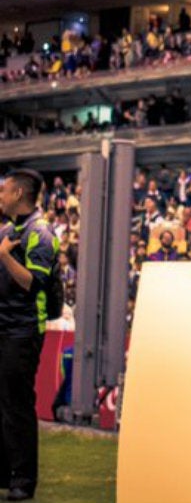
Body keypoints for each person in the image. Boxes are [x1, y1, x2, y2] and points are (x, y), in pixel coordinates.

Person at [0, 169, 59, 502]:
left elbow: (33, 283)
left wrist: (5, 256)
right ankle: (6, 473)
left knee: (18, 405)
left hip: (23, 331)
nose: (1, 196)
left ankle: (24, 479)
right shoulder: (10, 230)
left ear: (20, 192)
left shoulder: (42, 233)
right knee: (3, 403)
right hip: (4, 326)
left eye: (4, 190)